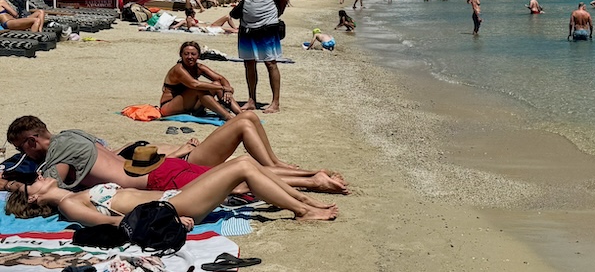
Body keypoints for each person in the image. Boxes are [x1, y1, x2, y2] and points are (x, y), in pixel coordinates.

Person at [5, 114, 348, 195]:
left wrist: (8, 185)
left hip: (160, 173)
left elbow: (51, 190)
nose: (25, 155)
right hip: (163, 164)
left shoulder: (57, 155)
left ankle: (305, 177)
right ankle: (302, 174)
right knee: (239, 162)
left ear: (33, 141)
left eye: (23, 148)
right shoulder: (74, 135)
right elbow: (114, 152)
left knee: (240, 175)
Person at [6, 154, 338, 224]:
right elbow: (119, 224)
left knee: (240, 164)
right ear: (33, 196)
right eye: (35, 181)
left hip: (175, 198)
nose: (41, 175)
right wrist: (169, 222)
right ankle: (304, 210)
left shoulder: (74, 197)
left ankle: (303, 200)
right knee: (242, 168)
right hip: (175, 207)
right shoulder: (70, 207)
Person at [235, 0, 287, 114]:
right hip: (246, 27)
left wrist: (276, 15)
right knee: (248, 62)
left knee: (270, 63)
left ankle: (275, 103)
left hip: (267, 26)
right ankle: (251, 100)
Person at [160, 41, 244, 121]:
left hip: (189, 104)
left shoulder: (199, 67)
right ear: (181, 55)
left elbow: (220, 79)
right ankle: (228, 117)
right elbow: (195, 84)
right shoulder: (178, 69)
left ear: (198, 56)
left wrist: (227, 90)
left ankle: (240, 114)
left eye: (193, 54)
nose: (189, 57)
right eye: (186, 54)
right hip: (168, 107)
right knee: (199, 90)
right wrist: (223, 88)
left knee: (216, 84)